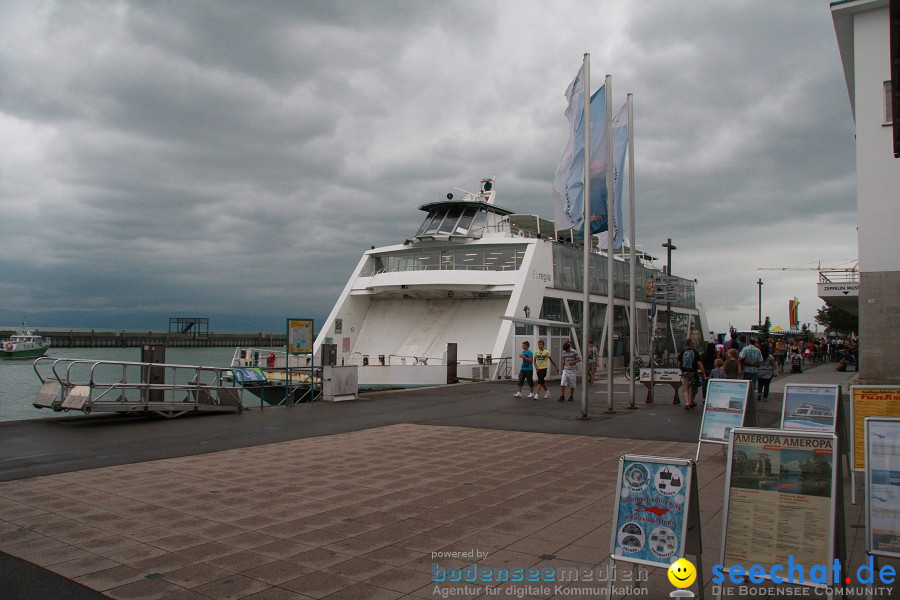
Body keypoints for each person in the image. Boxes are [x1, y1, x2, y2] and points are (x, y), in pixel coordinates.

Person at [678, 340, 699, 409]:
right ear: (691, 345)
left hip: (685, 372)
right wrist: (703, 373)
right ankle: (691, 402)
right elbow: (699, 363)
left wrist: (681, 370)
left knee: (685, 388)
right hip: (693, 372)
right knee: (693, 388)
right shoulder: (695, 353)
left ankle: (687, 403)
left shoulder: (682, 353)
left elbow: (678, 363)